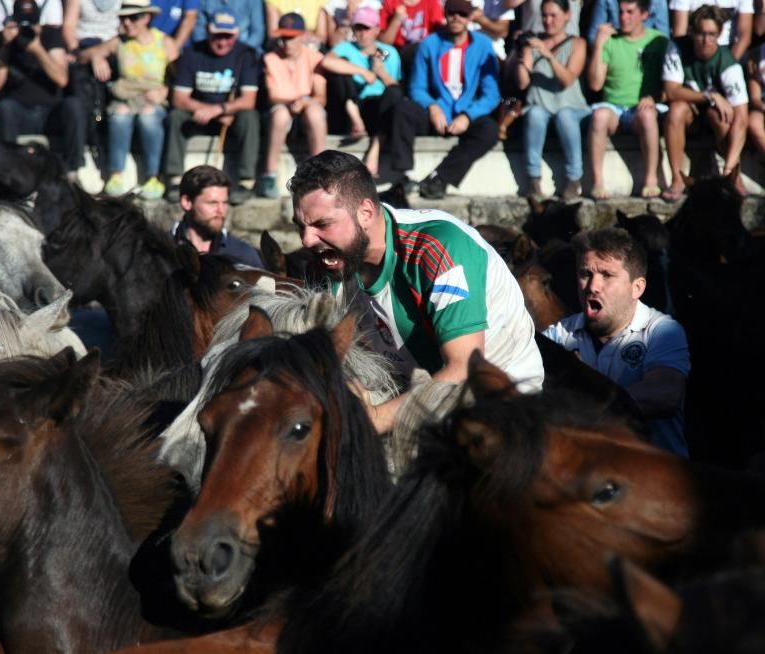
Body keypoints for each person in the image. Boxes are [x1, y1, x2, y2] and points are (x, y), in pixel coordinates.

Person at [288, 150, 543, 434]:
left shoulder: (439, 248)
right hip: (407, 395)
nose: (307, 239)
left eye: (322, 224)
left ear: (366, 213)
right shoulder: (328, 263)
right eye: (301, 226)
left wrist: (374, 419)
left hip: (498, 401)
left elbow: (463, 371)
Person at [543, 228, 690, 457]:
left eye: (607, 275)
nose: (592, 286)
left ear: (637, 287)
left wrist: (582, 395)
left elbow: (664, 394)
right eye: (585, 274)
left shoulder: (662, 331)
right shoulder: (559, 334)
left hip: (653, 482)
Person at [382, 0, 501, 199]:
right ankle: (402, 176)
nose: (456, 18)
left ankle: (441, 178)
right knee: (402, 110)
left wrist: (468, 115)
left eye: (462, 14)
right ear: (445, 15)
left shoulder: (483, 45)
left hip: (465, 113)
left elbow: (492, 94)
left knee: (489, 130)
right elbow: (416, 87)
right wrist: (432, 106)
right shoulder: (429, 43)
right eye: (452, 13)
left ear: (470, 17)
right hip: (436, 113)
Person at [163, 12, 260, 205]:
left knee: (250, 117)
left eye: (228, 37)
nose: (222, 42)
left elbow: (248, 100)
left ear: (236, 34)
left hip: (230, 119)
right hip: (198, 115)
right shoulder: (192, 54)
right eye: (218, 36)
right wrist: (208, 111)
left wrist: (219, 110)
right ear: (208, 32)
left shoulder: (245, 55)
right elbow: (179, 99)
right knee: (175, 116)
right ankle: (174, 180)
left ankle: (246, 182)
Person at [0, 0, 87, 180]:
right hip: (20, 113)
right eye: (22, 24)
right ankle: (9, 173)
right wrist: (6, 47)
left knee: (74, 105)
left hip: (50, 114)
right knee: (6, 107)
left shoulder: (52, 35)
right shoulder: (3, 41)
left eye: (32, 24)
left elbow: (62, 79)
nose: (28, 29)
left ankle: (73, 171)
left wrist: (38, 50)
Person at [86, 0, 177, 199]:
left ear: (146, 18)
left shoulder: (163, 42)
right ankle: (115, 174)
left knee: (149, 117)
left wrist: (165, 91)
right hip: (124, 97)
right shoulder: (119, 42)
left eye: (133, 18)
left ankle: (154, 176)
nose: (127, 23)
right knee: (119, 115)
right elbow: (82, 55)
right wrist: (97, 57)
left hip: (153, 99)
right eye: (123, 18)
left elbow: (179, 76)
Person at [662, 4, 748, 200]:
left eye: (711, 34)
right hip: (688, 109)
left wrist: (730, 165)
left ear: (719, 35)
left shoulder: (728, 63)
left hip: (715, 117)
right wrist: (709, 96)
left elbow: (742, 119)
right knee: (676, 111)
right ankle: (677, 179)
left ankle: (734, 175)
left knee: (724, 118)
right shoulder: (678, 47)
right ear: (692, 32)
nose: (705, 40)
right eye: (701, 33)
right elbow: (671, 90)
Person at [587, 0, 668, 199]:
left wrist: (655, 97)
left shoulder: (659, 41)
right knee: (599, 116)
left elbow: (670, 84)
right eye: (621, 12)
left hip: (641, 109)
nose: (623, 17)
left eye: (630, 12)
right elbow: (595, 84)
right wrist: (598, 45)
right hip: (613, 107)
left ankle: (650, 180)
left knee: (648, 116)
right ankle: (597, 182)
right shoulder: (610, 41)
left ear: (644, 15)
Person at [515, 0, 590, 201]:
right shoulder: (533, 43)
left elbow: (566, 79)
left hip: (571, 108)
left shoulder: (578, 44)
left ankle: (574, 179)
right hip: (541, 106)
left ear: (567, 15)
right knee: (535, 114)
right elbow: (522, 84)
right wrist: (524, 54)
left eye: (553, 15)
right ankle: (533, 180)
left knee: (565, 116)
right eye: (544, 16)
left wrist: (548, 55)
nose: (548, 21)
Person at [321, 6, 401, 177]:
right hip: (352, 106)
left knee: (394, 95)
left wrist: (381, 73)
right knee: (339, 72)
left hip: (378, 107)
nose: (362, 33)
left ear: (377, 30)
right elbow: (327, 62)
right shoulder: (346, 48)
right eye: (358, 28)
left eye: (367, 28)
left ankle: (375, 148)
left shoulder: (390, 53)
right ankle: (357, 122)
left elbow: (395, 87)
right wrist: (361, 71)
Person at [259, 12, 327, 199]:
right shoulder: (270, 59)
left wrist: (304, 102)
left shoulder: (316, 57)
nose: (286, 42)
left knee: (315, 112)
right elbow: (272, 97)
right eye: (283, 37)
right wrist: (293, 102)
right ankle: (270, 174)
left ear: (303, 36)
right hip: (281, 109)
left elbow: (321, 97)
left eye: (291, 37)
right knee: (280, 114)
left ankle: (320, 173)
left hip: (306, 108)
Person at [172, 165, 264, 267]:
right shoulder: (165, 253)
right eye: (212, 203)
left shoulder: (243, 256)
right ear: (187, 202)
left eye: (225, 203)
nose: (221, 210)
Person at [379, 0, 444, 76]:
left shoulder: (431, 3)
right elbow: (384, 43)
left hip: (423, 54)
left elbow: (439, 37)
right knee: (380, 56)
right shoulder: (390, 3)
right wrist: (396, 19)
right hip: (397, 53)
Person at [669, 0, 752, 60]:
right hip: (694, 48)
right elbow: (679, 34)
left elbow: (744, 36)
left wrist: (728, 65)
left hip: (727, 50)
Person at [191, 0, 263, 51]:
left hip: (243, 50)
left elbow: (257, 33)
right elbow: (199, 31)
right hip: (212, 49)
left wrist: (241, 52)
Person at [587, 0, 668, 42]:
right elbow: (593, 36)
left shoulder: (658, 2)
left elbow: (664, 38)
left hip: (644, 54)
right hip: (613, 51)